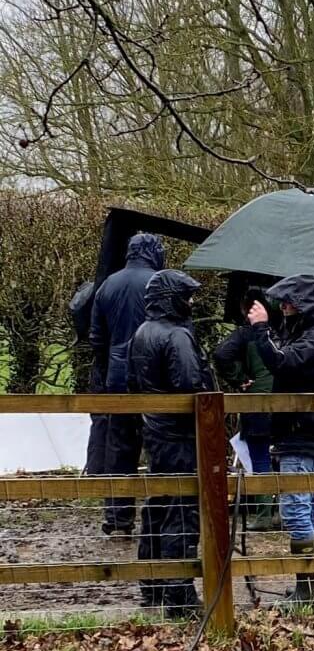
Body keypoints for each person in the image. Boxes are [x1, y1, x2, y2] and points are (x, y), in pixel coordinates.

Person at [248, 275, 314, 607]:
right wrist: (270, 329)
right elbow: (286, 355)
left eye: (289, 301)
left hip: (305, 431)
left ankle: (308, 589)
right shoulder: (313, 331)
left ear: (303, 303)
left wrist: (262, 328)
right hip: (310, 430)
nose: (284, 306)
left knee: (296, 510)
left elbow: (283, 361)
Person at [128, 270, 214, 619]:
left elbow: (133, 381)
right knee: (182, 508)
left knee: (158, 504)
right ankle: (179, 594)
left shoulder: (141, 331)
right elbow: (190, 383)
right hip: (180, 434)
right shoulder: (177, 335)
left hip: (155, 431)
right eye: (187, 296)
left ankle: (152, 583)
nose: (191, 303)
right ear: (172, 298)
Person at [88, 233, 165, 537]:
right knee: (157, 446)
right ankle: (157, 516)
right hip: (151, 379)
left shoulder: (108, 284)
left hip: (116, 380)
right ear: (153, 253)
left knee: (118, 448)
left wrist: (110, 368)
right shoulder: (159, 283)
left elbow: (96, 337)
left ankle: (118, 518)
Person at [214, 288, 277, 531]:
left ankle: (263, 514)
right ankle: (282, 511)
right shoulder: (284, 330)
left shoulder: (246, 334)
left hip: (257, 401)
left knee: (260, 456)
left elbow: (221, 354)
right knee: (287, 456)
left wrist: (239, 378)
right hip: (286, 398)